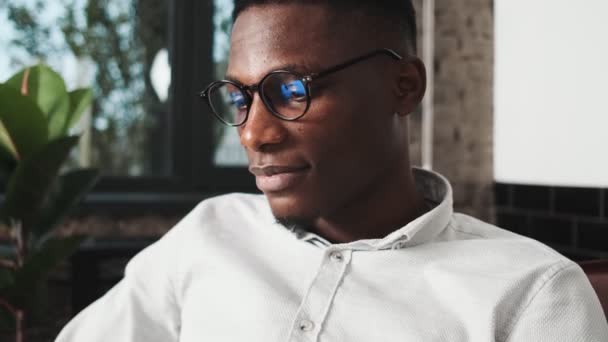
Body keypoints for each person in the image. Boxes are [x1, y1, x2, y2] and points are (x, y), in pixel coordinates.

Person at [56, 1, 608, 341]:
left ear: (404, 86)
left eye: (291, 90)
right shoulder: (210, 233)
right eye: (240, 96)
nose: (253, 133)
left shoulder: (532, 294)